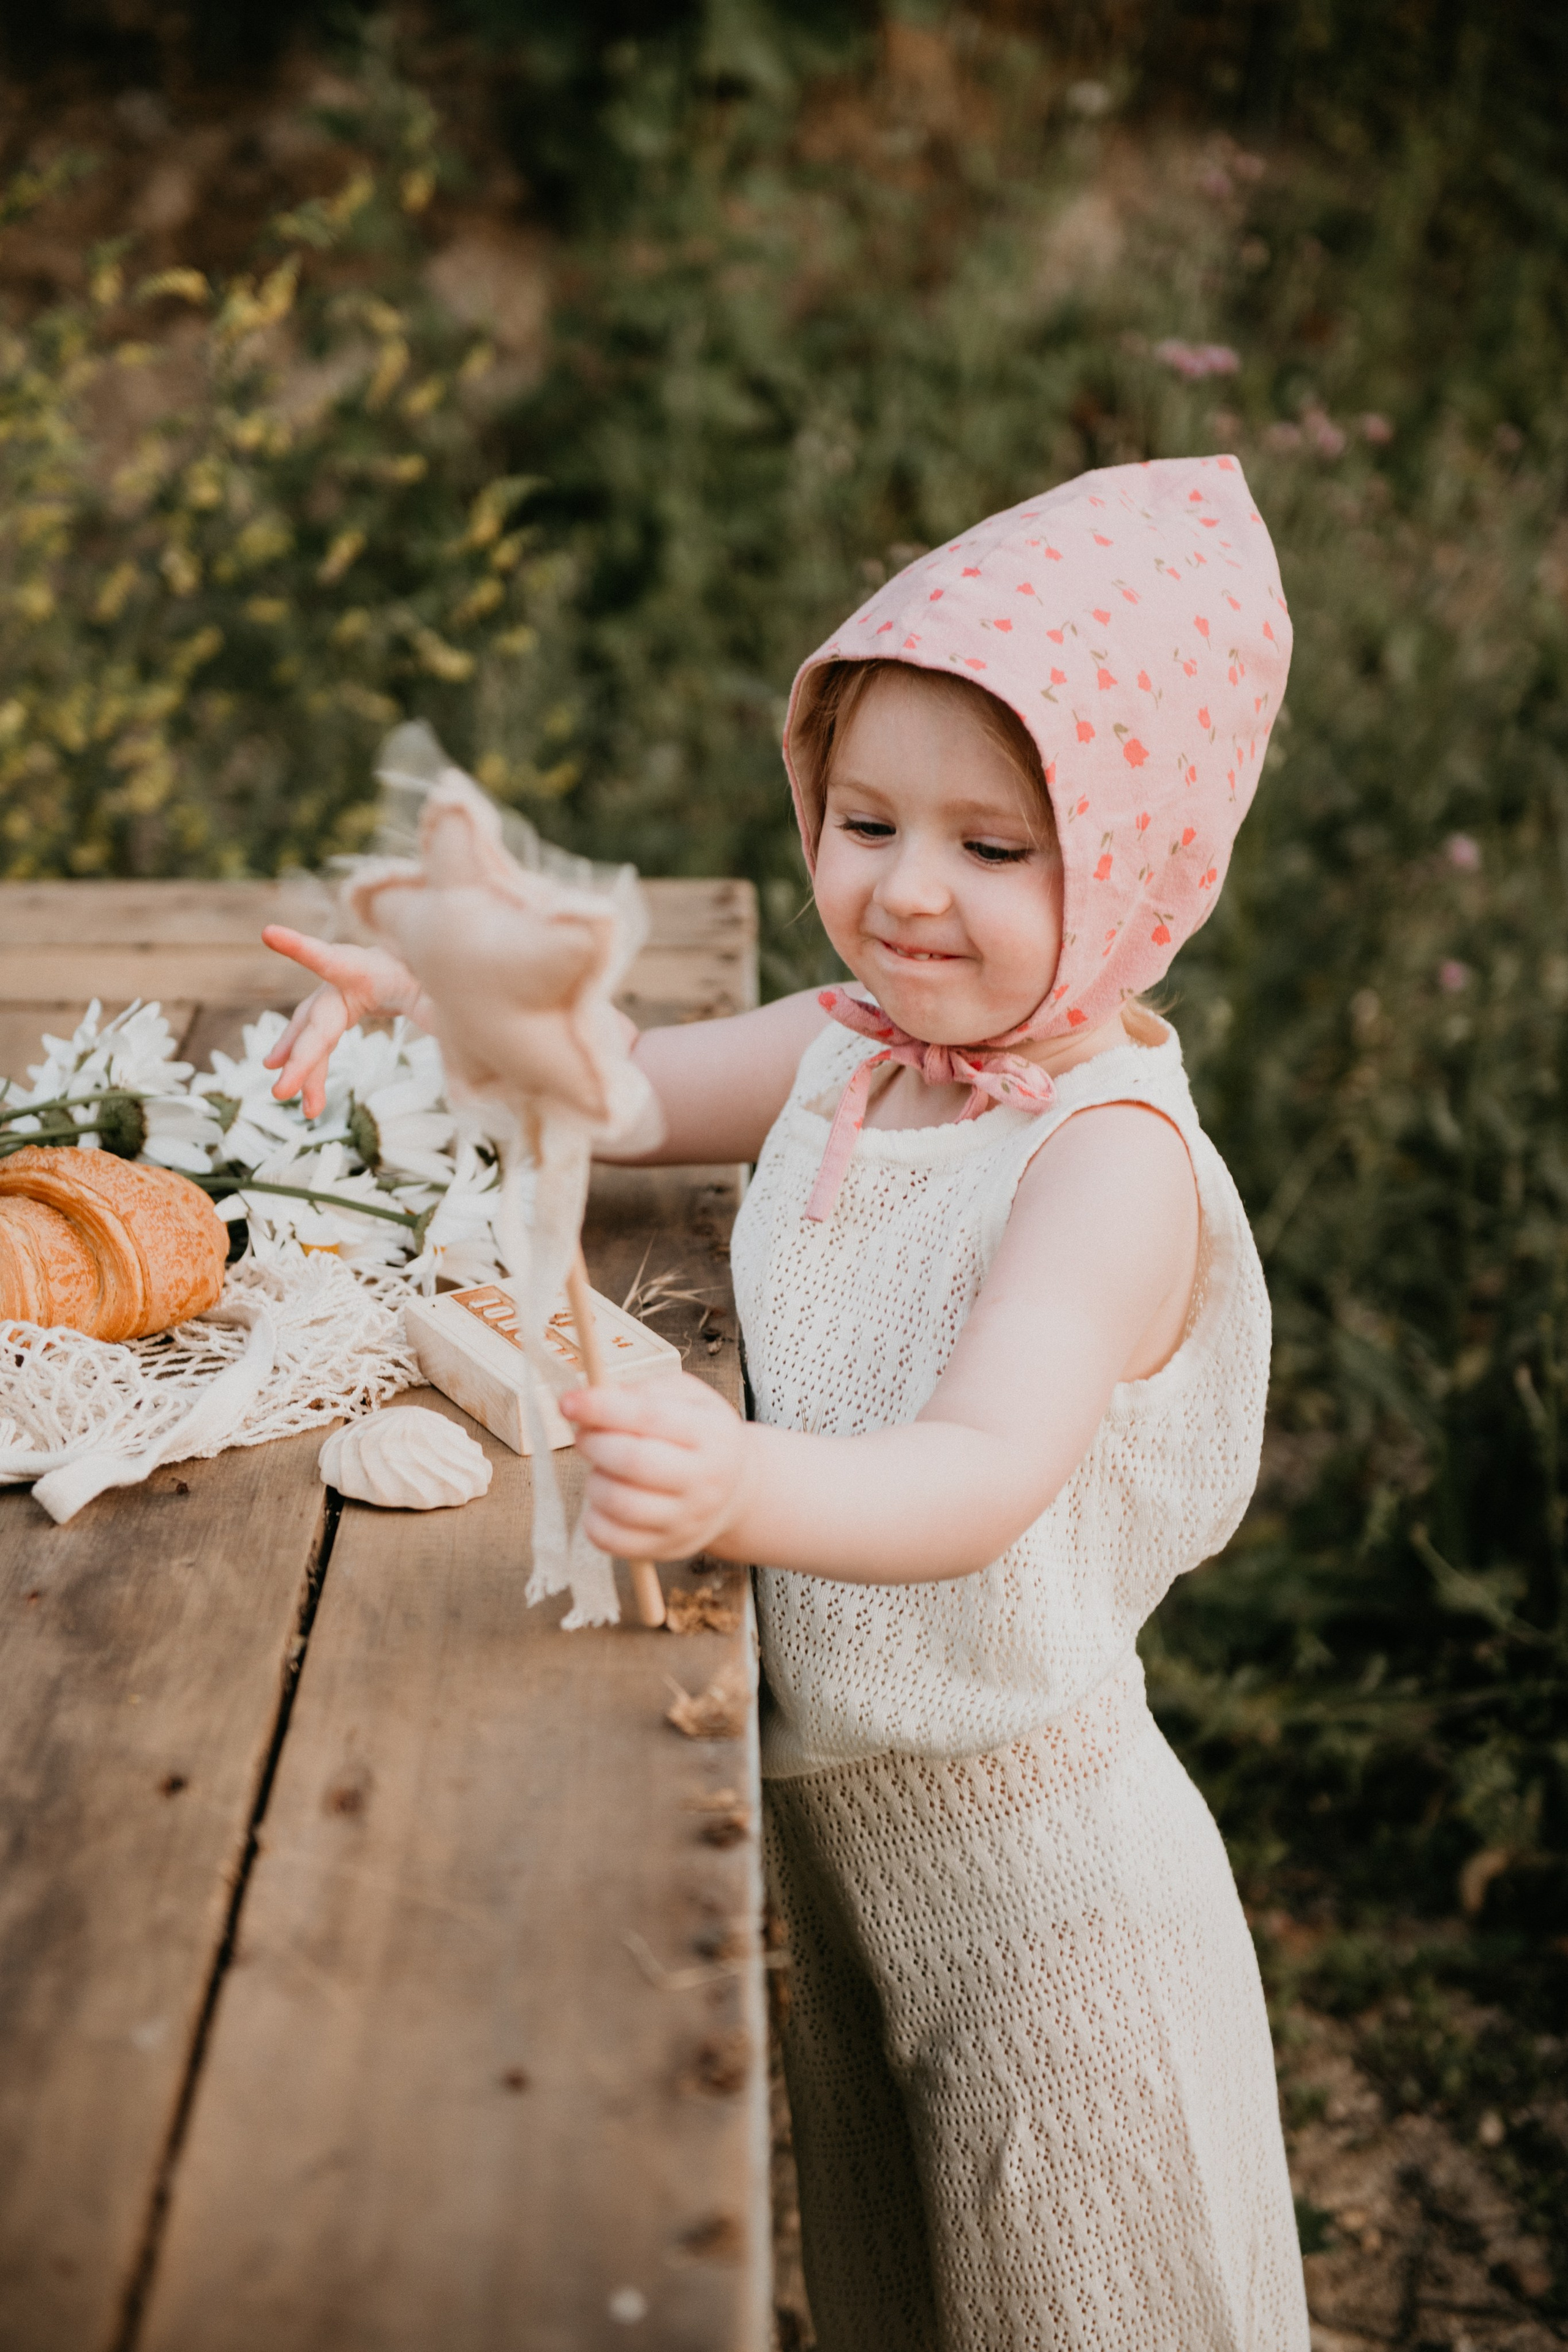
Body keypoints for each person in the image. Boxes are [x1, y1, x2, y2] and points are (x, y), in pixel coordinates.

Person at [263, 455, 1310, 2351]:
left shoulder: (1104, 1162)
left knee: (1077, 2304)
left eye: (998, 850)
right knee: (903, 2305)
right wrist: (441, 996)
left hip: (1047, 1912)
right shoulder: (855, 1057)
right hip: (844, 1884)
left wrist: (735, 1475)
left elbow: (978, 1473)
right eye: (865, 817)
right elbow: (620, 1083)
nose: (907, 891)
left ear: (1141, 867)